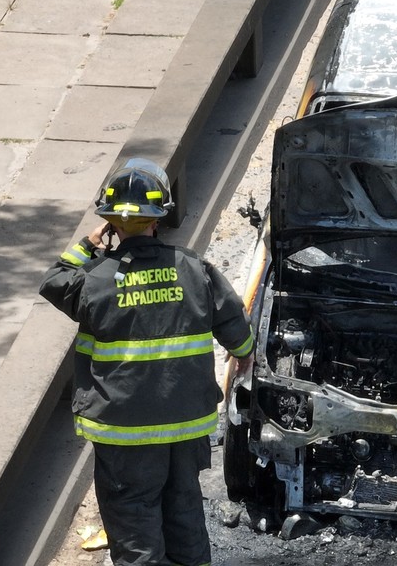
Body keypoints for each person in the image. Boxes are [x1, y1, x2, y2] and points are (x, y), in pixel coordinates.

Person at [40, 157, 255, 566]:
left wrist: (88, 244)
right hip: (185, 422)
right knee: (184, 509)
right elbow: (233, 322)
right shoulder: (193, 268)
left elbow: (54, 281)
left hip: (125, 430)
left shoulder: (94, 280)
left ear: (110, 222)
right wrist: (244, 354)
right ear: (159, 217)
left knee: (134, 522)